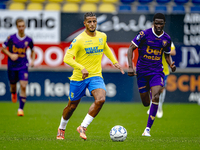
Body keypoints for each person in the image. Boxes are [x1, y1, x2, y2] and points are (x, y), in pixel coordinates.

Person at [56, 12, 124, 140]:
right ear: (85, 23)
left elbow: (106, 48)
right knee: (71, 107)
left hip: (96, 76)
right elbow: (67, 58)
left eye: (94, 21)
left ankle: (83, 127)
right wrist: (81, 68)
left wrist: (115, 62)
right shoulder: (79, 40)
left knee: (101, 99)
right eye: (89, 22)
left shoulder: (102, 36)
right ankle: (62, 128)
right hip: (79, 78)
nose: (92, 24)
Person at [127, 13, 176, 136]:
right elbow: (130, 48)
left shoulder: (167, 39)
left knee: (156, 96)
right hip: (142, 71)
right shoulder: (144, 34)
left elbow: (167, 54)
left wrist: (171, 64)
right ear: (153, 23)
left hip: (156, 71)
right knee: (146, 103)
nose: (158, 25)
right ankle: (149, 94)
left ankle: (147, 129)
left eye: (161, 23)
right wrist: (130, 67)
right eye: (156, 23)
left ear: (164, 24)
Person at [1, 18, 35, 116]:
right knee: (13, 87)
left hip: (23, 65)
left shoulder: (28, 39)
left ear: (25, 27)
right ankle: (14, 93)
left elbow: (33, 50)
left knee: (23, 86)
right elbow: (3, 48)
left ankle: (20, 109)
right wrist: (10, 55)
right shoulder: (11, 38)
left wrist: (32, 60)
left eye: (22, 26)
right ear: (17, 27)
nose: (21, 28)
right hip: (12, 66)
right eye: (19, 26)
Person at [147, 42, 176, 118]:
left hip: (163, 70)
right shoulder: (150, 39)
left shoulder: (167, 40)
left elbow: (173, 52)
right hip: (152, 68)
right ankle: (152, 105)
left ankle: (159, 106)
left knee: (161, 89)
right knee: (152, 87)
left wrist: (165, 50)